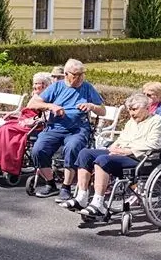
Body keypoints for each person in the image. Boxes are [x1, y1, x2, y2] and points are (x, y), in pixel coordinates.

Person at [67, 93, 161, 216]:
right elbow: (122, 138)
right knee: (85, 153)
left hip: (140, 158)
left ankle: (98, 203)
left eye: (134, 110)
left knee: (103, 160)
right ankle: (82, 197)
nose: (131, 113)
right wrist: (113, 147)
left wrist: (126, 151)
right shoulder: (131, 121)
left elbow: (154, 145)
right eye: (130, 110)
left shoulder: (156, 121)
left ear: (146, 108)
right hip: (122, 153)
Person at [26, 58, 106, 199]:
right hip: (55, 127)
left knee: (72, 147)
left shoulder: (87, 87)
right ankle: (50, 184)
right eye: (76, 75)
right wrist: (51, 106)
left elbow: (102, 110)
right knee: (38, 150)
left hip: (78, 129)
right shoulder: (57, 86)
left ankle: (66, 187)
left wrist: (91, 106)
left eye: (82, 74)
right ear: (66, 74)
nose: (80, 77)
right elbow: (32, 103)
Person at [0, 72, 52, 174]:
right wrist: (14, 114)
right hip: (24, 120)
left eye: (37, 83)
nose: (34, 86)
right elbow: (25, 111)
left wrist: (30, 121)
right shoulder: (36, 95)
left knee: (6, 131)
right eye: (34, 83)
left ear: (45, 84)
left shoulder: (49, 96)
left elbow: (46, 116)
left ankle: (2, 164)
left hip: (36, 126)